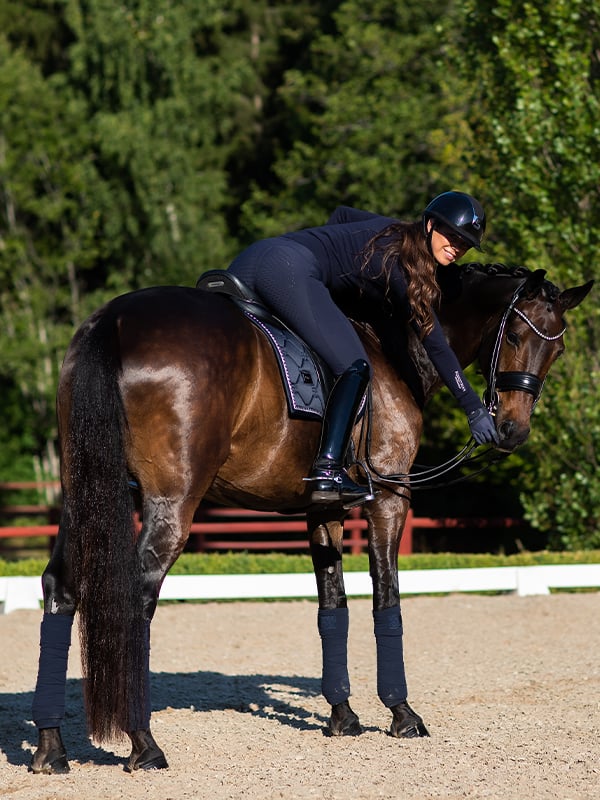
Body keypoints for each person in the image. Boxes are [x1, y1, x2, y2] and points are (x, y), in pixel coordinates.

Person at [227, 191, 499, 507]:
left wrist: (335, 265)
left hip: (251, 258)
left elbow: (341, 215)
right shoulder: (401, 271)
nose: (457, 247)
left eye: (465, 243)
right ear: (429, 225)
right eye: (452, 235)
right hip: (288, 269)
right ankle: (328, 469)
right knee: (355, 365)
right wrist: (473, 407)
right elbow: (435, 344)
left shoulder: (390, 229)